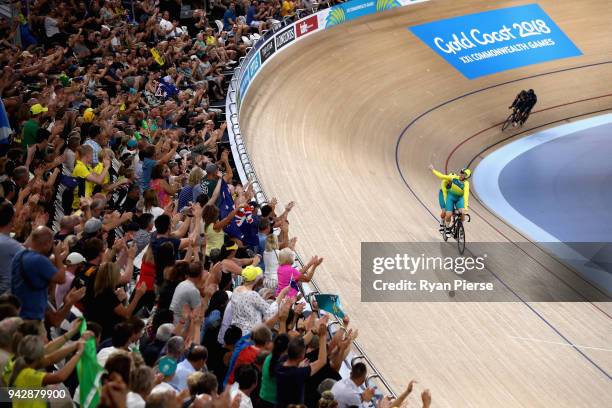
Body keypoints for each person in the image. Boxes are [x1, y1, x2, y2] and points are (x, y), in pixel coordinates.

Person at [11, 227, 66, 324]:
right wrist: (57, 254)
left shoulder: (19, 254)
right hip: (32, 317)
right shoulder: (40, 261)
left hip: (17, 312)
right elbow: (61, 279)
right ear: (47, 244)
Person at [276, 322, 328, 407]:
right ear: (302, 357)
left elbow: (297, 345)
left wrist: (312, 331)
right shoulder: (299, 373)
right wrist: (322, 336)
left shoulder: (279, 363)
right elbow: (322, 361)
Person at [429, 165, 470, 235]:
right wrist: (433, 170)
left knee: (462, 213)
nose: (461, 174)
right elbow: (441, 176)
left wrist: (465, 208)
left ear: (466, 177)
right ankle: (447, 228)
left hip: (459, 199)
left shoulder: (466, 183)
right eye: (461, 172)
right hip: (449, 197)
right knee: (448, 214)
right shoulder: (452, 178)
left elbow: (466, 195)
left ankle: (460, 228)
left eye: (464, 174)